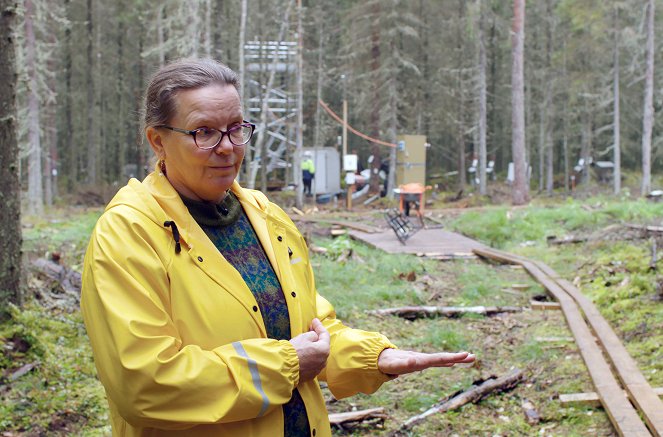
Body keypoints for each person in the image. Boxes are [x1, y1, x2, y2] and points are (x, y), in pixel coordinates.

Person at [80, 58, 475, 437]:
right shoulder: (128, 235)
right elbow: (145, 383)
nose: (227, 147)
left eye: (236, 128)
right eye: (203, 132)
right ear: (158, 141)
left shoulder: (264, 216)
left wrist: (372, 357)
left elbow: (312, 331)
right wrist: (285, 364)